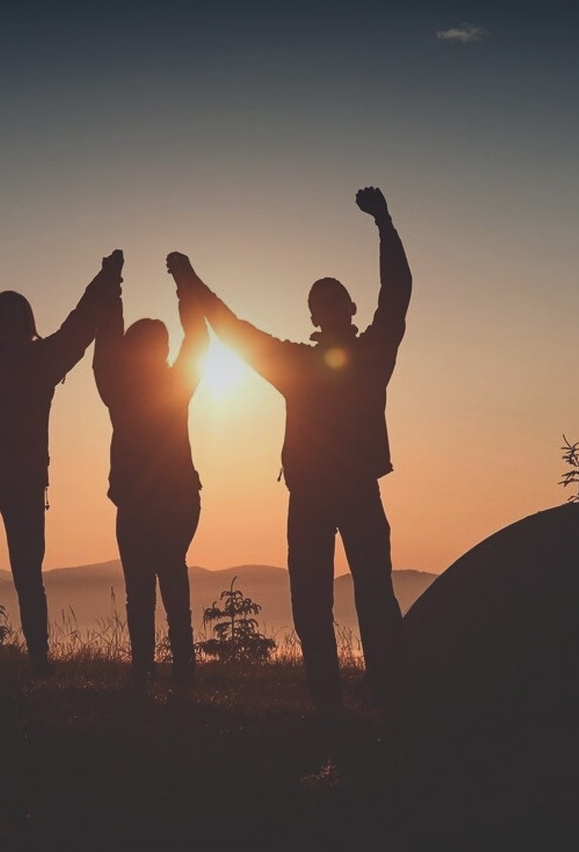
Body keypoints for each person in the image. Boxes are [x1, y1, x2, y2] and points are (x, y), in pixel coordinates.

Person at [172, 185, 412, 711]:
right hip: (313, 495)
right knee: (314, 601)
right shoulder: (306, 364)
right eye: (318, 302)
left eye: (331, 300)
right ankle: (335, 701)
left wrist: (385, 225)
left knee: (370, 595)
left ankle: (387, 697)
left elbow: (397, 293)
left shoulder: (368, 354)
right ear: (316, 313)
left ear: (346, 309)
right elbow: (235, 330)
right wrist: (190, 281)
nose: (325, 307)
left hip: (348, 492)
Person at [0, 234, 118, 674]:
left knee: (28, 579)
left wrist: (106, 277)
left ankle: (38, 663)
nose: (12, 321)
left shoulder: (34, 359)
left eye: (18, 315)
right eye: (6, 314)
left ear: (26, 320)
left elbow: (80, 323)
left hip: (15, 482)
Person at [92, 249, 209, 687]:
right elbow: (109, 341)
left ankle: (165, 665)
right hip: (156, 498)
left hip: (173, 497)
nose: (158, 350)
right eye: (153, 344)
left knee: (156, 578)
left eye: (159, 344)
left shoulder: (149, 387)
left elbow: (195, 341)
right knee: (154, 579)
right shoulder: (122, 388)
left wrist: (181, 281)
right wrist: (113, 285)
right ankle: (162, 665)